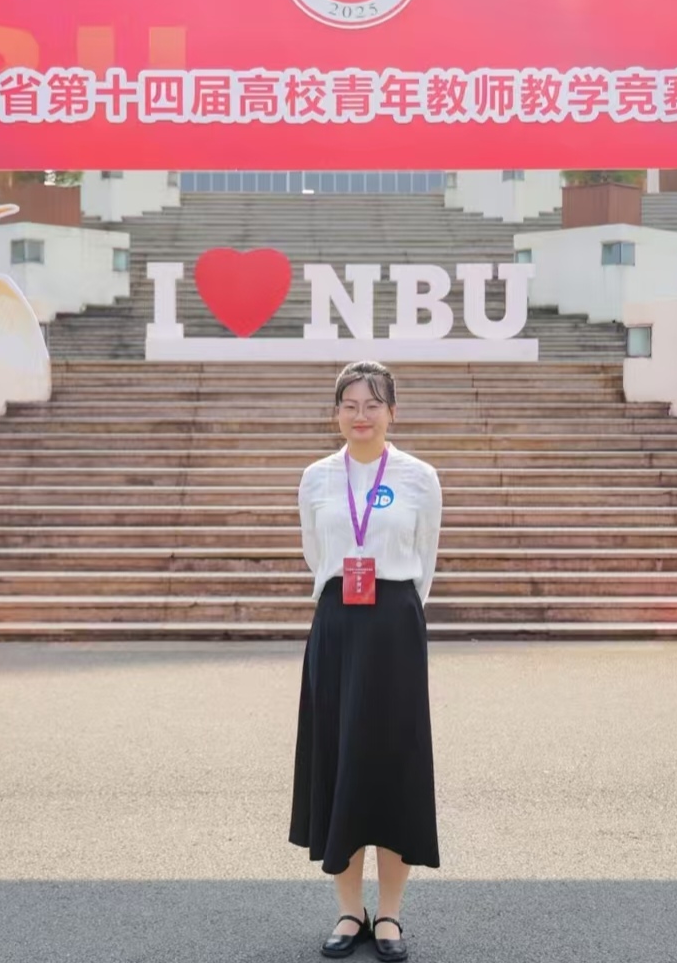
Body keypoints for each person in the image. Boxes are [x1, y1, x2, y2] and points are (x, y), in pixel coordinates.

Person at [289, 360, 443, 962]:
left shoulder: (419, 477)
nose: (362, 416)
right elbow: (315, 552)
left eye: (373, 404)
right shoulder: (316, 478)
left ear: (392, 412)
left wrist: (393, 607)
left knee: (392, 763)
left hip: (394, 627)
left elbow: (425, 557)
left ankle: (391, 915)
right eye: (350, 405)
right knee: (339, 761)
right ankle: (350, 910)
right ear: (336, 414)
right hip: (337, 626)